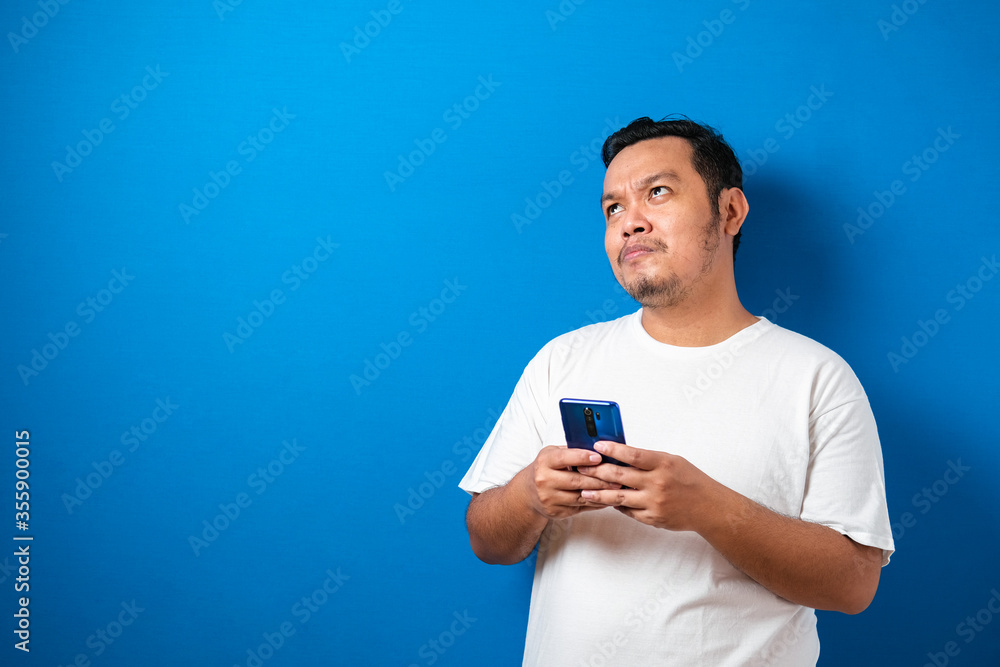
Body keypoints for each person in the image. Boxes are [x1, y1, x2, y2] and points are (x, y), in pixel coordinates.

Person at [458, 116, 895, 666]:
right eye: (613, 208)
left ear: (730, 211)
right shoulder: (561, 360)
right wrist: (529, 496)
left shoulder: (817, 378)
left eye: (657, 193)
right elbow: (488, 542)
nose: (629, 223)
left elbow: (853, 585)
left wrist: (705, 507)